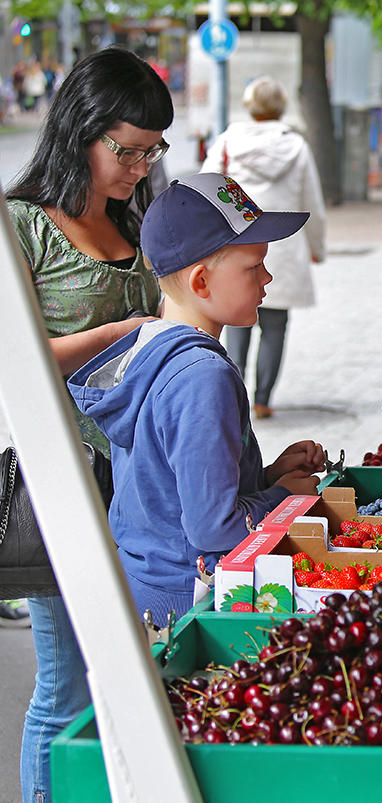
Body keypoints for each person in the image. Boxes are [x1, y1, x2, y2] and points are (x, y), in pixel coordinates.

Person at [5, 46, 173, 803]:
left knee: (129, 674)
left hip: (134, 476)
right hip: (59, 480)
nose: (140, 167)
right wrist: (116, 334)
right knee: (66, 686)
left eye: (150, 153)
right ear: (80, 130)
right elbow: (12, 358)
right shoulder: (20, 226)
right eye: (128, 151)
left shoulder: (131, 217)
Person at [68, 173, 325, 624]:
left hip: (149, 580)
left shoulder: (152, 346)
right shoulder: (203, 377)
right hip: (190, 598)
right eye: (253, 266)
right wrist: (282, 499)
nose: (268, 277)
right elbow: (213, 529)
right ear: (201, 282)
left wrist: (267, 476)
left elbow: (179, 490)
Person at [200, 76, 327, 420]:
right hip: (283, 249)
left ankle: (234, 394)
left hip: (238, 247)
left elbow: (206, 189)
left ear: (249, 107)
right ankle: (263, 400)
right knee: (275, 326)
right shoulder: (296, 147)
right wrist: (317, 246)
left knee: (237, 321)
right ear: (281, 107)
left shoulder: (228, 141)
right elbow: (311, 200)